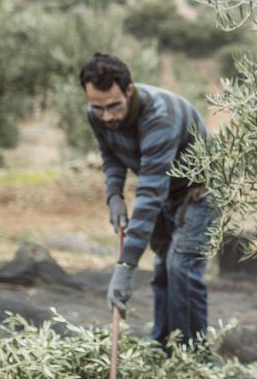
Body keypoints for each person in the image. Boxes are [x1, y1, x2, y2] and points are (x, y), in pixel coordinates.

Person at [80, 52, 216, 348]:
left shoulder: (160, 117)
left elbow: (150, 192)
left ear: (129, 90)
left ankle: (191, 357)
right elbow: (111, 155)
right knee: (162, 270)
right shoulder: (98, 113)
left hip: (199, 192)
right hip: (166, 193)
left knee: (181, 267)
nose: (106, 117)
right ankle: (161, 345)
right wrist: (113, 194)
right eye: (98, 108)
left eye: (113, 106)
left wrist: (125, 267)